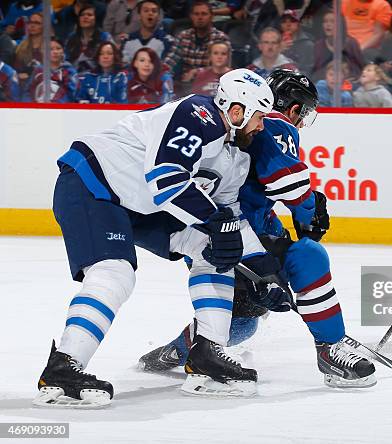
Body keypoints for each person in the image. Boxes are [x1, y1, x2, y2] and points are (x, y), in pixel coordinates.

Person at [33, 68, 275, 407]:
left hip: (138, 203)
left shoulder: (235, 155)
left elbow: (228, 215)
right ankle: (63, 366)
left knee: (213, 248)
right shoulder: (197, 115)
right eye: (259, 116)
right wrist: (218, 221)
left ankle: (207, 354)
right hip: (95, 184)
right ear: (238, 111)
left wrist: (266, 271)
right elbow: (167, 180)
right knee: (114, 273)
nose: (262, 125)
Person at [138, 69, 377, 389]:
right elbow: (290, 187)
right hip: (231, 234)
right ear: (293, 109)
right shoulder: (277, 125)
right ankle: (331, 349)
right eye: (303, 115)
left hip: (205, 233)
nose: (302, 123)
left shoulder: (235, 124)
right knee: (309, 256)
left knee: (242, 323)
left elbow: (257, 205)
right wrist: (309, 211)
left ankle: (177, 351)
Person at [163, 0, 230, 94]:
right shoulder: (183, 36)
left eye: (204, 14)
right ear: (191, 17)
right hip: (186, 85)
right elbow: (171, 60)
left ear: (211, 16)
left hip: (211, 85)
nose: (200, 17)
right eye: (196, 14)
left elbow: (224, 66)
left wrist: (197, 72)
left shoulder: (221, 38)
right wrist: (163, 73)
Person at [312, 8, 364, 81]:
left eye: (332, 21)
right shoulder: (318, 46)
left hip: (349, 84)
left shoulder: (351, 43)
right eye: (325, 21)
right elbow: (315, 72)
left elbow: (359, 69)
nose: (328, 24)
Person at [121, 0, 174, 64]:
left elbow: (166, 68)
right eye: (146, 11)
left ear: (159, 17)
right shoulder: (128, 39)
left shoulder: (167, 41)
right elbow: (124, 66)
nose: (150, 13)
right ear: (139, 16)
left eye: (154, 11)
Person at [26, 37, 78, 102]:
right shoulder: (38, 71)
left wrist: (54, 105)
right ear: (43, 52)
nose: (55, 52)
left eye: (58, 48)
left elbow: (72, 94)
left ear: (63, 51)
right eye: (50, 49)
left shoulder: (70, 72)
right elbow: (28, 92)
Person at [65, 3, 114, 73]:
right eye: (82, 15)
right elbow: (65, 59)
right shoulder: (71, 37)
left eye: (89, 15)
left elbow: (113, 58)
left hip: (97, 76)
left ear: (96, 19)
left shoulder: (105, 37)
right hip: (74, 76)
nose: (85, 17)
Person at [279, 9, 315, 76]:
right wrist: (278, 51)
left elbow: (309, 71)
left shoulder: (308, 45)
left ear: (298, 23)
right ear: (280, 25)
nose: (288, 24)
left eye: (292, 21)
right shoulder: (274, 42)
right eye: (284, 21)